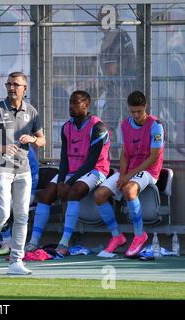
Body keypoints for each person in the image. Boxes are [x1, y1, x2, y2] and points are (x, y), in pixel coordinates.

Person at [0, 71, 46, 275]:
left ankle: (16, 262)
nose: (12, 88)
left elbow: (42, 140)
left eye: (16, 84)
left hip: (23, 171)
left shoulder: (31, 111)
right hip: (0, 168)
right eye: (9, 84)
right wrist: (3, 148)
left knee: (22, 216)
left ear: (25, 88)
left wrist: (33, 140)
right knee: (3, 213)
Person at [25, 90, 111, 256]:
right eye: (70, 103)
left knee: (73, 192)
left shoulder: (98, 127)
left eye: (75, 103)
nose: (71, 106)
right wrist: (61, 181)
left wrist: (67, 184)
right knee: (45, 195)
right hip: (72, 171)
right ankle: (34, 242)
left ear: (86, 105)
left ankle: (63, 243)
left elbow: (90, 163)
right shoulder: (66, 127)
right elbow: (64, 158)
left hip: (95, 171)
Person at [94, 91, 164, 258]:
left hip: (149, 170)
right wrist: (122, 174)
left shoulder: (156, 125)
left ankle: (140, 235)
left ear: (145, 107)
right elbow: (125, 154)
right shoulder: (126, 124)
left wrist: (128, 176)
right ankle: (117, 236)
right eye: (132, 111)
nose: (136, 115)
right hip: (130, 170)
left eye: (139, 111)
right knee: (99, 195)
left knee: (129, 190)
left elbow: (154, 157)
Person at [97, 5, 136, 158]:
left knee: (108, 124)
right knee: (126, 124)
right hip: (124, 87)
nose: (98, 20)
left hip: (119, 88)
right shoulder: (121, 35)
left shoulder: (114, 37)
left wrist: (102, 84)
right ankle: (121, 157)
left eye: (100, 16)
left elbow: (111, 69)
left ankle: (114, 158)